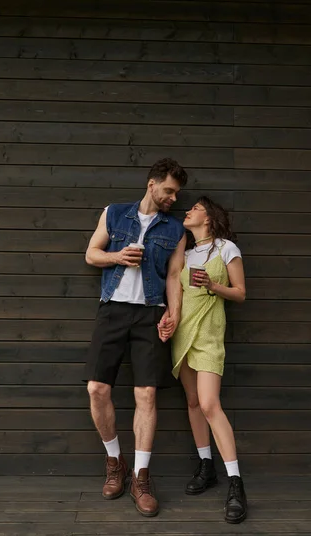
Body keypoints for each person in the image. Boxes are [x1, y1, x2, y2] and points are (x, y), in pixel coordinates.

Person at [83, 158, 188, 517]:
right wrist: (116, 256)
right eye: (169, 190)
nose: (173, 198)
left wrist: (174, 315)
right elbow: (91, 254)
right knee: (97, 389)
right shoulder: (114, 214)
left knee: (146, 393)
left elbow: (174, 276)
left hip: (150, 314)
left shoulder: (175, 230)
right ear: (152, 184)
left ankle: (141, 477)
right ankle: (116, 463)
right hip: (112, 309)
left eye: (177, 193)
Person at [158, 196, 248, 524]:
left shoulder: (226, 249)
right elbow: (175, 291)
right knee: (194, 402)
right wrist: (169, 319)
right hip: (183, 335)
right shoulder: (184, 252)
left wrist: (213, 285)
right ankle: (206, 465)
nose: (188, 211)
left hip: (209, 337)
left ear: (208, 218)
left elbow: (240, 293)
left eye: (194, 208)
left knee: (210, 404)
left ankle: (236, 483)